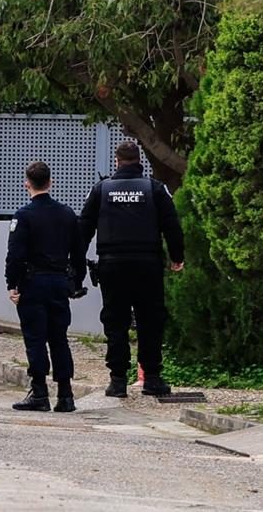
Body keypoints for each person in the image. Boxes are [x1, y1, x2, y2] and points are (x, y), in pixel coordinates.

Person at [79, 141, 184, 398]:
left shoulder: (101, 190)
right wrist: (177, 257)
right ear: (140, 161)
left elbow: (83, 228)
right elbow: (172, 225)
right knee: (150, 320)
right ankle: (152, 378)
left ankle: (117, 381)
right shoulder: (154, 189)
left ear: (116, 162)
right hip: (147, 265)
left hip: (112, 265)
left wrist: (76, 262)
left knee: (115, 320)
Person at [5, 161, 86, 413]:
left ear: (27, 184)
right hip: (59, 283)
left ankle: (39, 393)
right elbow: (79, 252)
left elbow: (15, 254)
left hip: (33, 284)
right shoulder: (67, 214)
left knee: (36, 339)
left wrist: (11, 284)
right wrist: (76, 282)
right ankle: (66, 394)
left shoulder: (24, 216)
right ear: (51, 182)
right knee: (59, 338)